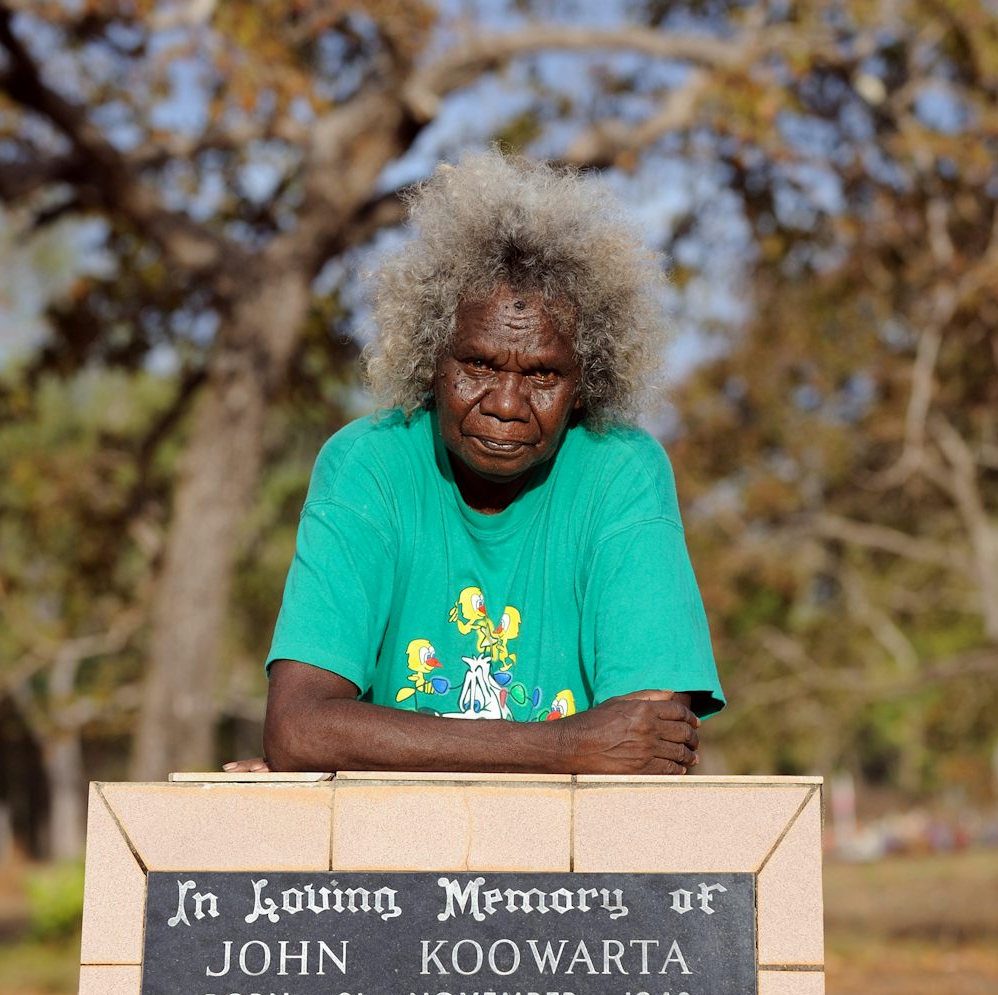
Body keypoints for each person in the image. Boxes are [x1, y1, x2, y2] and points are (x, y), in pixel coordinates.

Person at [228, 151, 723, 775]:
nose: (508, 404)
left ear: (586, 383)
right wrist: (566, 747)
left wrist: (360, 744)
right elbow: (298, 731)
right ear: (430, 357)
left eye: (543, 374)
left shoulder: (622, 471)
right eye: (478, 366)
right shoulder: (367, 464)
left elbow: (647, 748)